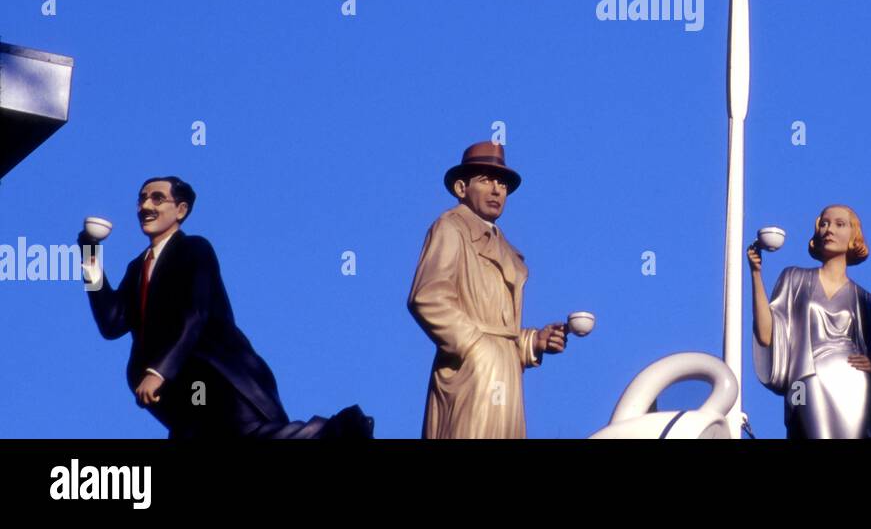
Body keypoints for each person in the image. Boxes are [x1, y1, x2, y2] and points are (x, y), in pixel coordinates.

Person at [81, 176, 373, 438]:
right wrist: (90, 256)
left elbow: (195, 315)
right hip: (180, 396)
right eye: (142, 198)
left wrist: (158, 372)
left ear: (180, 210)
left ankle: (340, 432)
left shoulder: (194, 249)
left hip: (216, 379)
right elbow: (112, 322)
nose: (146, 205)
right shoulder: (137, 269)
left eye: (157, 198)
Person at [407, 142, 567, 438]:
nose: (496, 190)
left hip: (505, 374)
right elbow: (427, 297)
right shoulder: (451, 227)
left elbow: (501, 329)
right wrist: (474, 346)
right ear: (461, 188)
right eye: (486, 180)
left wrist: (534, 342)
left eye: (502, 184)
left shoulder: (508, 251)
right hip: (471, 373)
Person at [749, 204, 871, 438]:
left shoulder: (864, 299)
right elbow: (767, 335)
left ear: (853, 236)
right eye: (824, 223)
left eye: (839, 224)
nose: (829, 229)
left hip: (853, 385)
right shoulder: (794, 278)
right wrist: (756, 275)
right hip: (805, 379)